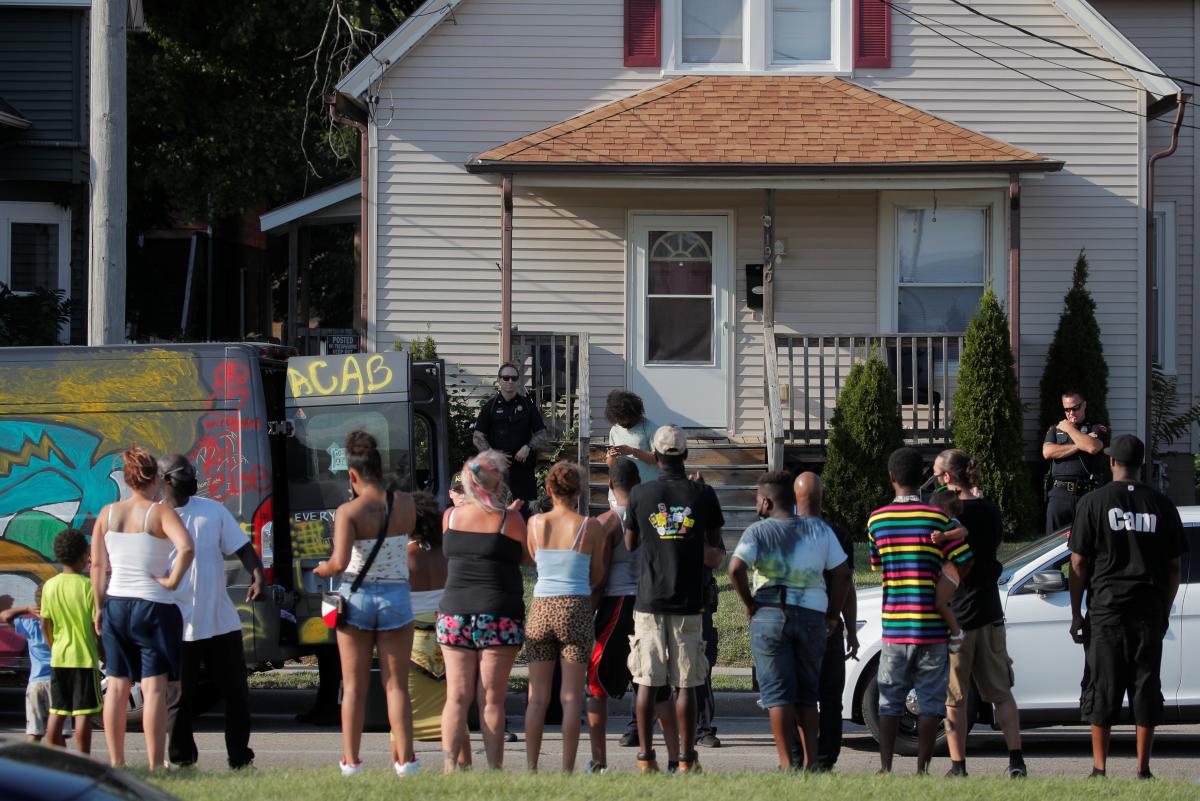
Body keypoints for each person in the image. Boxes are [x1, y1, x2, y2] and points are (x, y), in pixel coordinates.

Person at [1068, 434, 1187, 780]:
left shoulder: (1093, 502)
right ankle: (1143, 769)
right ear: (1142, 465)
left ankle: (1099, 768)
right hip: (1148, 611)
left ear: (1111, 463)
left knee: (1102, 687)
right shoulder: (1162, 505)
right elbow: (1174, 567)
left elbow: (1077, 563)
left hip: (1106, 611)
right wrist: (1163, 610)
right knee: (1145, 688)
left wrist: (1077, 612)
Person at [314, 431, 420, 777]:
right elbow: (407, 537)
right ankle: (406, 762)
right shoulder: (405, 503)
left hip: (357, 599)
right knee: (396, 685)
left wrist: (322, 568)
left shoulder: (348, 511)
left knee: (355, 686)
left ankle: (352, 762)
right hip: (396, 595)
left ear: (353, 475)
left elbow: (340, 562)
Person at [728, 471, 850, 771]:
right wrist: (833, 616)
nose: (756, 505)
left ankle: (787, 764)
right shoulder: (819, 529)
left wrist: (749, 603)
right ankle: (810, 762)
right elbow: (843, 573)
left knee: (778, 695)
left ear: (767, 501)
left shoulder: (758, 532)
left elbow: (734, 569)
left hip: (770, 614)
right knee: (808, 695)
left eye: (757, 499)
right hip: (812, 617)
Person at [624, 424, 725, 774]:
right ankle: (685, 759)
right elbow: (718, 552)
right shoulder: (703, 495)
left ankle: (645, 757)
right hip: (689, 602)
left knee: (647, 682)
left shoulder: (640, 494)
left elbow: (630, 544)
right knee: (687, 682)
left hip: (649, 600)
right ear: (685, 453)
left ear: (655, 453)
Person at [868, 447, 972, 775]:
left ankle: (885, 767)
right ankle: (922, 769)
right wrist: (948, 583)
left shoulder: (877, 520)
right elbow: (965, 559)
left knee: (889, 699)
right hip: (931, 628)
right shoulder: (938, 519)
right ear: (922, 478)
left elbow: (876, 565)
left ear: (892, 478)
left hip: (895, 627)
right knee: (929, 702)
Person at [91, 446, 194, 771]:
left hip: (117, 604)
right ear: (156, 479)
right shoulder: (160, 512)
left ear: (128, 478)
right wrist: (172, 580)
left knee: (117, 686)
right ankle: (155, 763)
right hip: (154, 605)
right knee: (153, 688)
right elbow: (187, 547)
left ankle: (116, 762)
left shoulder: (107, 513)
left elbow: (97, 565)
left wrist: (98, 606)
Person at [160, 453, 263, 770]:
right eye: (183, 473)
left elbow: (243, 547)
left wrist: (257, 574)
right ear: (165, 480)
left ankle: (240, 758)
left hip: (221, 622)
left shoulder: (213, 510)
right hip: (180, 625)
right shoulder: (154, 518)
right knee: (178, 700)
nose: (191, 477)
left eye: (192, 471)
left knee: (237, 695)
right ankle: (181, 759)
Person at [933, 450, 1027, 778]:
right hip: (988, 610)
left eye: (936, 474)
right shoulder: (990, 510)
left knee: (955, 697)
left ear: (947, 478)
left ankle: (958, 766)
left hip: (957, 615)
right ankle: (1016, 760)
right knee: (1001, 693)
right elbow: (995, 549)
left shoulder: (947, 517)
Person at [437, 450, 529, 772]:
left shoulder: (449, 517)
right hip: (498, 614)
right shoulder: (509, 520)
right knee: (491, 700)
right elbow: (526, 558)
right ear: (497, 483)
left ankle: (451, 767)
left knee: (456, 697)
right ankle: (494, 770)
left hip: (454, 613)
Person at [586, 458, 679, 773]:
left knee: (597, 686)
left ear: (610, 485)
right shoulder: (652, 518)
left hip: (616, 606)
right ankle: (675, 758)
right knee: (656, 685)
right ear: (638, 483)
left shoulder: (608, 522)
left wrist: (589, 610)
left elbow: (597, 578)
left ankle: (598, 761)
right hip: (650, 604)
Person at [523, 462, 606, 773]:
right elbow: (597, 574)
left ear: (548, 490)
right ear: (579, 493)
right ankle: (567, 769)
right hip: (575, 607)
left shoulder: (534, 524)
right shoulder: (590, 526)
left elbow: (534, 561)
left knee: (537, 697)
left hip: (541, 607)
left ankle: (532, 768)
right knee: (571, 697)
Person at [791, 472, 859, 772]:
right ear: (823, 498)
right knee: (830, 698)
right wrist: (847, 625)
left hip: (792, 625)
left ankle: (795, 755)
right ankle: (825, 757)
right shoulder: (838, 534)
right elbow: (847, 584)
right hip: (826, 626)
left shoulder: (783, 532)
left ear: (795, 498)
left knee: (794, 693)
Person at [407, 491, 471, 766]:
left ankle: (405, 765)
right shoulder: (449, 554)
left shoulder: (401, 556)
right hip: (450, 635)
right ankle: (459, 766)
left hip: (411, 643)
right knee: (455, 709)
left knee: (404, 715)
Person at [40, 529, 99, 753]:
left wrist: (53, 646)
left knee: (58, 710)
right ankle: (83, 758)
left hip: (59, 658)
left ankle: (56, 757)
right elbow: (97, 626)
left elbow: (45, 622)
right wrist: (103, 653)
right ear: (84, 555)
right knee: (83, 713)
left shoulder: (49, 586)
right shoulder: (87, 587)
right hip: (84, 658)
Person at [472, 363, 549, 512]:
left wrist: (528, 447)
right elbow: (477, 437)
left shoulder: (527, 405)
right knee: (496, 513)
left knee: (527, 511)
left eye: (513, 378)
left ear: (518, 381)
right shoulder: (490, 407)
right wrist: (493, 455)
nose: (510, 381)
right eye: (506, 378)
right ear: (499, 380)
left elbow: (542, 434)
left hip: (523, 470)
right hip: (497, 470)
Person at [1043, 390, 1109, 534]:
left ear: (1084, 405)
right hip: (1059, 494)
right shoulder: (1055, 430)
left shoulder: (1096, 428)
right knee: (1052, 543)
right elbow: (1048, 452)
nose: (1071, 413)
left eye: (1075, 408)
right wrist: (1079, 445)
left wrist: (1070, 429)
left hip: (1087, 494)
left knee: (1088, 540)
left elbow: (1092, 447)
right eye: (1067, 409)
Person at [1, 590, 54, 743]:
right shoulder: (61, 625)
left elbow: (5, 615)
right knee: (57, 729)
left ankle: (32, 761)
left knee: (34, 731)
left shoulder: (31, 625)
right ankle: (55, 763)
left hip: (35, 683)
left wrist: (26, 609)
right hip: (57, 681)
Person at [926, 491, 967, 651]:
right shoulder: (944, 522)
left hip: (952, 568)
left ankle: (957, 633)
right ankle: (950, 629)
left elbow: (964, 531)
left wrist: (943, 535)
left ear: (944, 509)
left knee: (939, 603)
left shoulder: (953, 522)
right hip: (947, 568)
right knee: (941, 601)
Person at [604, 389, 658, 483]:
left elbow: (657, 459)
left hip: (646, 486)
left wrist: (632, 451)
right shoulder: (614, 429)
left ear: (634, 413)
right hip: (621, 489)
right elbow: (610, 463)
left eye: (624, 418)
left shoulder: (651, 428)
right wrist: (612, 456)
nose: (621, 423)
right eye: (618, 419)